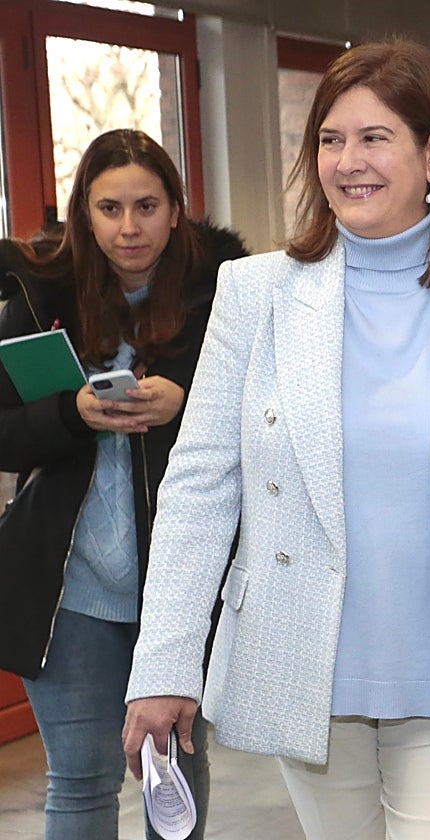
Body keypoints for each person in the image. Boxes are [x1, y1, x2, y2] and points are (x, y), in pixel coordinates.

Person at [121, 39, 430, 840]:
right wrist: (165, 664)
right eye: (330, 139)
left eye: (375, 137)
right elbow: (200, 487)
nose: (349, 161)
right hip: (306, 663)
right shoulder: (256, 295)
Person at [0, 129, 248, 840]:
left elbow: (277, 420)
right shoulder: (38, 292)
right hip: (70, 589)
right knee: (79, 784)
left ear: (177, 208)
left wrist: (184, 404)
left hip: (184, 582)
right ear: (84, 213)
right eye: (109, 209)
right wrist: (70, 415)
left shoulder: (226, 295)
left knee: (171, 788)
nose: (129, 227)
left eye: (146, 205)